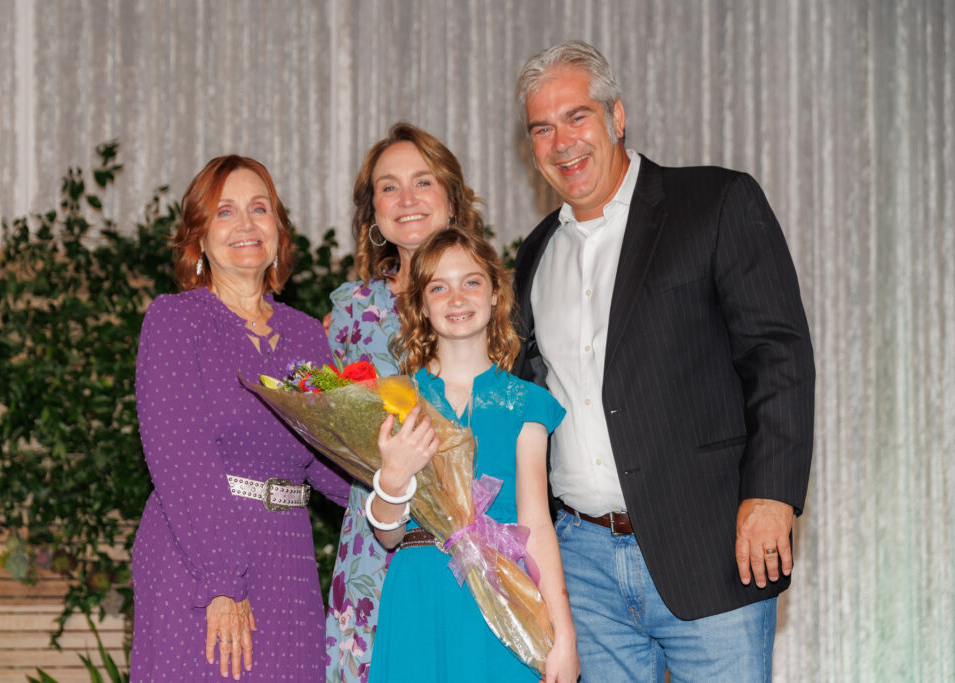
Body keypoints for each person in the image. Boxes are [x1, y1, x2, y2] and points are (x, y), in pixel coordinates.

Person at [511, 40, 815, 681]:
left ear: (617, 116)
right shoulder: (535, 255)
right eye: (542, 127)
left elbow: (777, 354)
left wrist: (771, 496)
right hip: (584, 570)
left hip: (709, 551)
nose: (562, 141)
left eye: (577, 117)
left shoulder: (715, 203)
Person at [132, 155, 350, 680]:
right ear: (198, 238)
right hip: (200, 562)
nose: (247, 224)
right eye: (225, 212)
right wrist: (223, 581)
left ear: (278, 229)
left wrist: (398, 482)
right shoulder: (175, 321)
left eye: (260, 208)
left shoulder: (307, 337)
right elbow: (180, 456)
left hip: (289, 558)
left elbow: (328, 460)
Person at [366, 228, 580, 683]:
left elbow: (538, 524)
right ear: (421, 304)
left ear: (496, 293)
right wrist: (394, 476)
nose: (456, 297)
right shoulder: (398, 400)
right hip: (419, 596)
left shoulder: (526, 403)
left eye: (471, 282)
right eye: (438, 287)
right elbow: (386, 535)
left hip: (503, 594)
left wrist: (564, 636)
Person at [324, 122, 486, 682]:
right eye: (388, 187)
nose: (407, 199)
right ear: (372, 212)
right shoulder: (349, 315)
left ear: (452, 198)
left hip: (478, 540)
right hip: (376, 547)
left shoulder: (495, 299)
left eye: (423, 181)